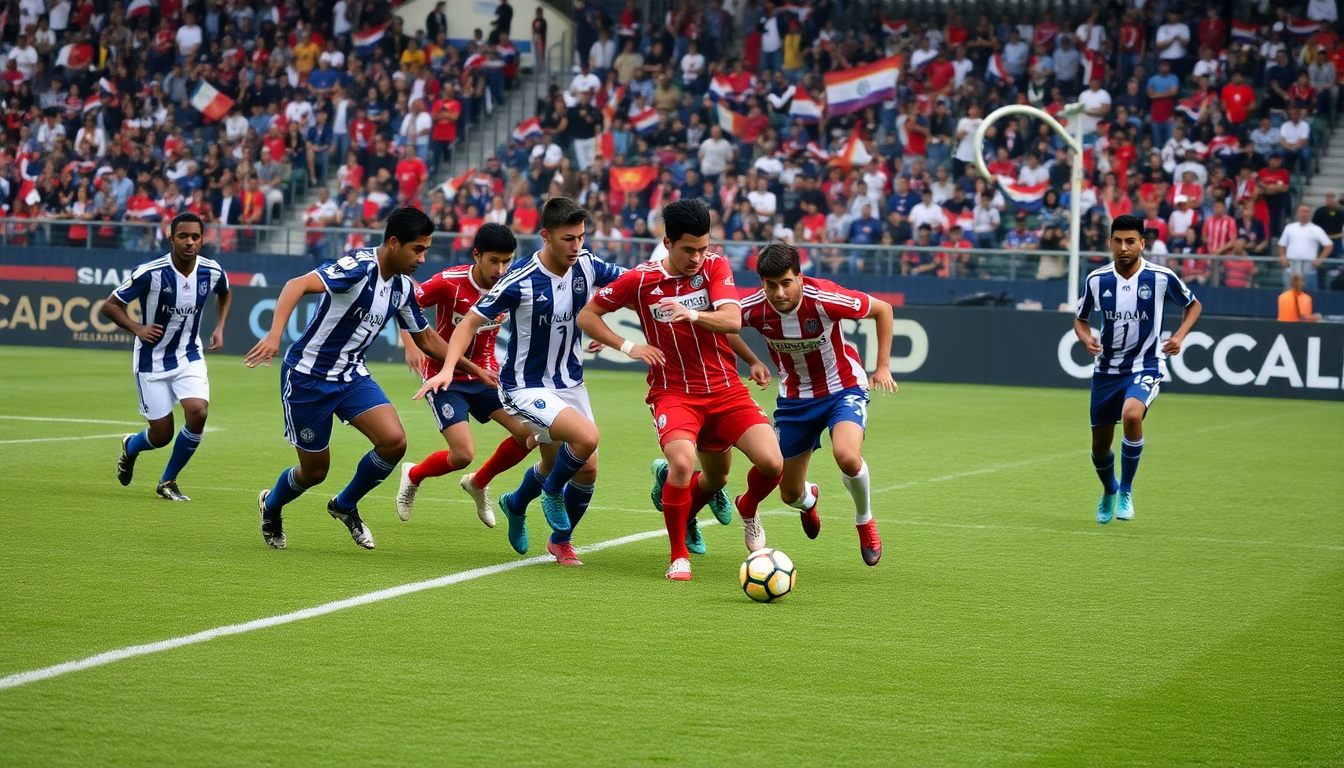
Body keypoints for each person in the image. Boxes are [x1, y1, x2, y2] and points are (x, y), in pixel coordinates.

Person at [578, 200, 786, 581]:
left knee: (765, 466)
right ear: (668, 243)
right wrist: (628, 346)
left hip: (726, 391)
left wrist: (700, 319)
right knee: (682, 464)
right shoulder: (641, 280)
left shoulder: (715, 266)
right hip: (674, 393)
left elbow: (731, 319)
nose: (697, 257)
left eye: (703, 247)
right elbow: (587, 315)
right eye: (688, 249)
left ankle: (746, 507)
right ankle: (678, 556)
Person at [416, 197, 624, 566]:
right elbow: (467, 323)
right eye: (567, 238)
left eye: (581, 236)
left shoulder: (588, 265)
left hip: (570, 383)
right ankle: (553, 494)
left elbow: (633, 284)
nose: (576, 246)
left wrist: (604, 321)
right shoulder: (520, 279)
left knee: (585, 467)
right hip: (525, 388)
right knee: (586, 439)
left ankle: (536, 519)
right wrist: (448, 368)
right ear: (545, 236)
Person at [244, 208, 456, 551]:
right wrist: (274, 335)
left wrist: (472, 368)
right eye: (418, 249)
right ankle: (271, 505)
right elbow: (296, 284)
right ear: (393, 242)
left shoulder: (402, 287)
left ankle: (344, 505)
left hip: (351, 377)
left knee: (394, 442)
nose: (423, 257)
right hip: (307, 378)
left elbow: (426, 338)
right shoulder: (358, 268)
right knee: (314, 472)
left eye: (426, 250)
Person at [729, 242, 895, 567]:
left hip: (843, 388)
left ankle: (864, 520)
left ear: (800, 277)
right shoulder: (752, 307)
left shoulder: (825, 298)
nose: (778, 293)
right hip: (795, 401)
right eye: (771, 285)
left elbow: (883, 309)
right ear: (762, 282)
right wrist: (751, 360)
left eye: (786, 283)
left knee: (847, 456)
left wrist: (883, 366)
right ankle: (809, 500)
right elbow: (723, 324)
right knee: (789, 494)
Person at [395, 223, 538, 525]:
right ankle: (414, 474)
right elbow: (405, 304)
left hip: (487, 376)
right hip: (445, 377)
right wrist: (410, 343)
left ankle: (478, 483)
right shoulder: (450, 282)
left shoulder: (512, 283)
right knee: (462, 454)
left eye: (507, 261)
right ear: (477, 254)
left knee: (529, 436)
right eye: (494, 260)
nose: (501, 269)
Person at [1074, 214, 1201, 525]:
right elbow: (1080, 319)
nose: (1123, 247)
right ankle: (1109, 490)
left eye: (1130, 241)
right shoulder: (1097, 280)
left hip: (1146, 364)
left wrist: (1180, 335)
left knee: (1132, 415)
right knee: (1099, 447)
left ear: (1143, 244)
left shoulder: (1160, 277)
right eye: (1118, 241)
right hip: (1106, 371)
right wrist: (1086, 338)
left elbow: (1193, 304)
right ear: (1110, 243)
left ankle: (1127, 491)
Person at [104, 213, 231, 502]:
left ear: (202, 239)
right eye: (183, 236)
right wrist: (137, 328)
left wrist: (220, 326)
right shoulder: (150, 272)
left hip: (189, 354)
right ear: (171, 238)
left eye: (195, 237)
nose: (190, 242)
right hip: (152, 360)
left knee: (198, 412)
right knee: (162, 435)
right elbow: (110, 306)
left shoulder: (211, 271)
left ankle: (168, 481)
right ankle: (131, 447)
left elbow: (225, 292)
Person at [1278, 204, 1333, 289]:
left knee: (1309, 292)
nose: (1304, 214)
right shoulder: (1289, 228)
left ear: (1310, 213)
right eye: (1302, 211)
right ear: (1297, 213)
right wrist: (1282, 256)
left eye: (1306, 211)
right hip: (1291, 265)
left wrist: (1320, 259)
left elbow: (1329, 245)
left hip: (1309, 266)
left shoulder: (1316, 229)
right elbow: (1282, 245)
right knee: (1289, 291)